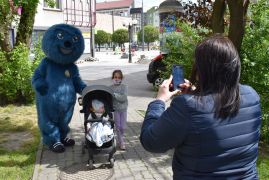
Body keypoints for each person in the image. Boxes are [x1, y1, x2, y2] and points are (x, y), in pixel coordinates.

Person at [140, 35, 262, 179]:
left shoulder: (187, 107)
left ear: (201, 69)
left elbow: (151, 141)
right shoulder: (252, 95)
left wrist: (159, 101)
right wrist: (196, 94)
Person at [110, 70, 128, 150]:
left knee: (123, 127)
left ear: (121, 78)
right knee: (118, 126)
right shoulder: (110, 88)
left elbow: (123, 98)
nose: (117, 79)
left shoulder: (124, 87)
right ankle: (121, 142)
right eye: (115, 77)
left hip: (123, 109)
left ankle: (120, 139)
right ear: (113, 78)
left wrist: (114, 95)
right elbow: (109, 98)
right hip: (116, 110)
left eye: (119, 77)